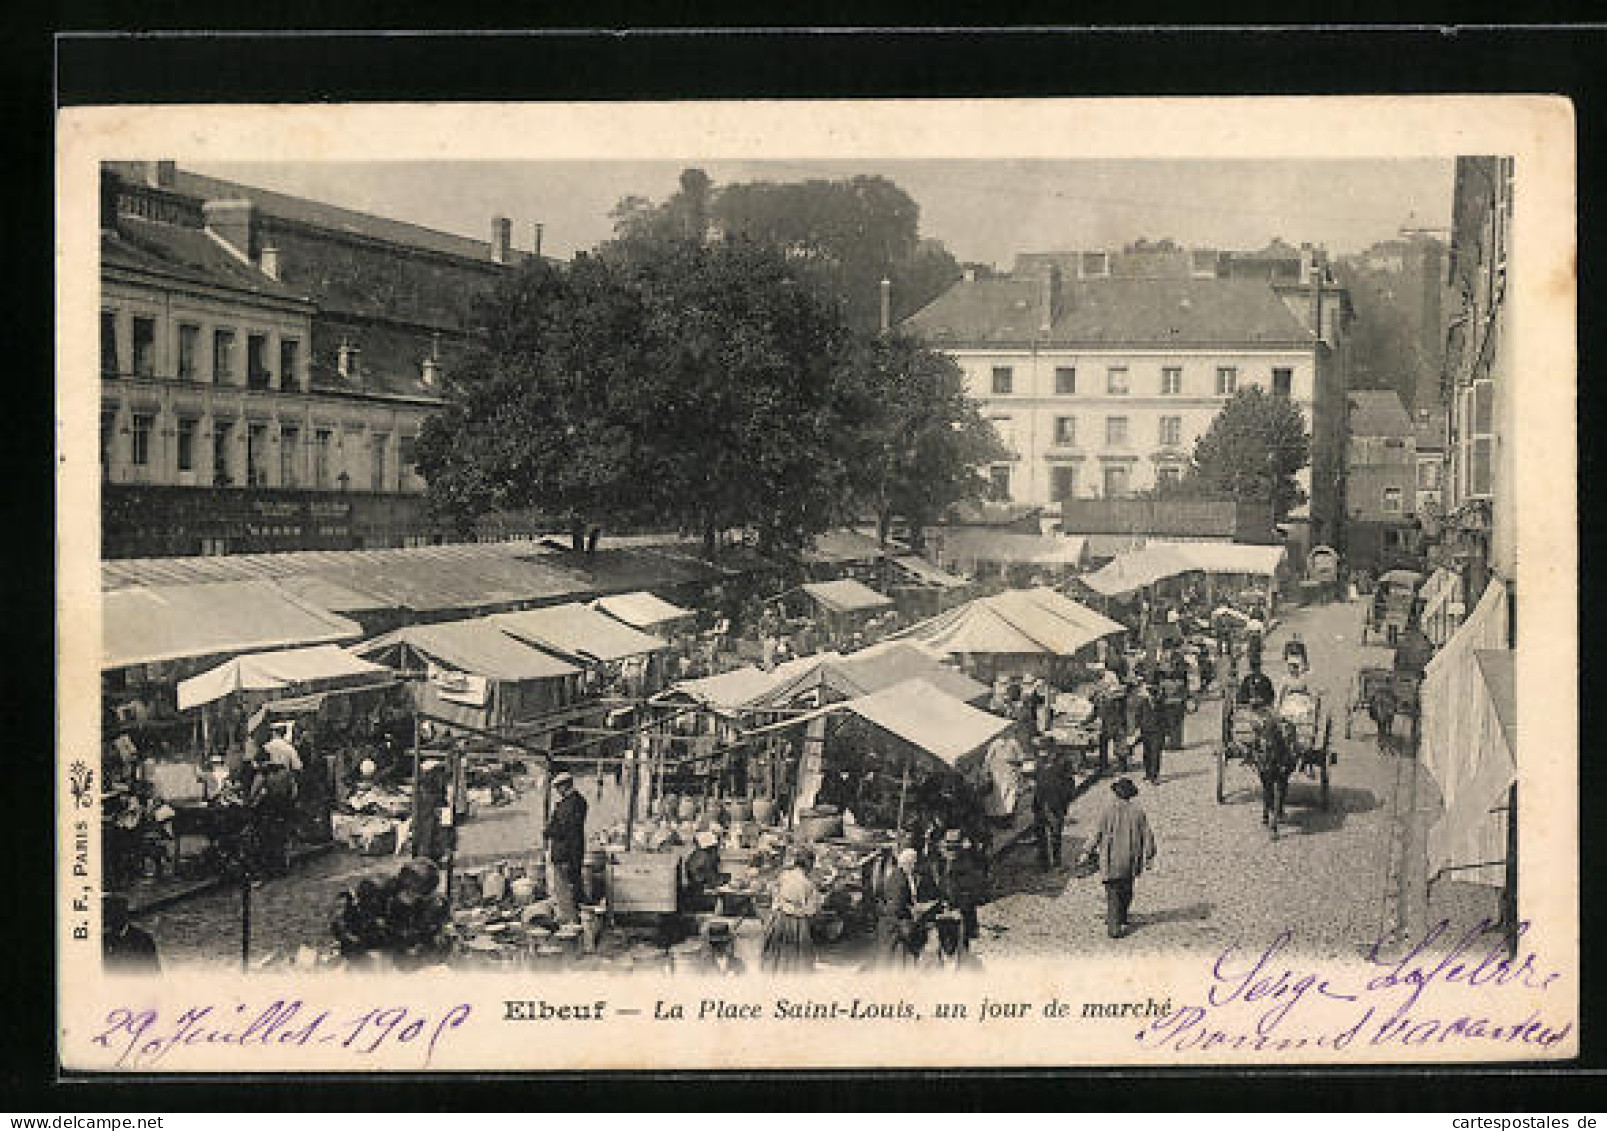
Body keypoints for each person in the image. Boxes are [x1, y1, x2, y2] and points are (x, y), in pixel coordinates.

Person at [1082, 777, 1157, 939]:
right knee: (1126, 890)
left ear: (1116, 794)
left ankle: (1114, 927)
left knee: (1112, 892)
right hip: (1130, 859)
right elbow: (1148, 835)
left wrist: (1087, 851)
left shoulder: (1107, 811)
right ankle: (1121, 916)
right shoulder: (1138, 812)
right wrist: (1149, 856)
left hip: (1110, 859)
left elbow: (1097, 833)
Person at [761, 845, 821, 974]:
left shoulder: (784, 875)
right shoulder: (808, 883)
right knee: (797, 959)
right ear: (808, 864)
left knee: (776, 954)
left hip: (780, 918)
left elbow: (773, 893)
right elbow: (812, 910)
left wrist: (780, 903)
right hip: (797, 923)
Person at [878, 846, 937, 967]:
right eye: (913, 863)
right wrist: (914, 910)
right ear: (906, 863)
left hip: (897, 920)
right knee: (888, 957)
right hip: (892, 923)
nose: (915, 867)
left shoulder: (904, 876)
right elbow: (896, 906)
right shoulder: (898, 879)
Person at [931, 829, 986, 957]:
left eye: (953, 848)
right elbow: (937, 887)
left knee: (962, 946)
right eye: (947, 848)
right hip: (943, 914)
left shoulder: (967, 866)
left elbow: (974, 892)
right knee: (945, 946)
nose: (950, 852)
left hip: (961, 913)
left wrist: (959, 907)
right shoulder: (938, 865)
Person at [544, 770, 587, 925]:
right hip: (575, 850)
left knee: (563, 887)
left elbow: (563, 829)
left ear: (564, 787)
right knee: (573, 883)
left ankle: (570, 920)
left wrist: (548, 831)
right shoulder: (580, 801)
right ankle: (573, 917)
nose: (557, 791)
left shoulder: (568, 805)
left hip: (564, 851)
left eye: (558, 788)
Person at [1032, 739, 1074, 870]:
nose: (1041, 752)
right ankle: (1043, 862)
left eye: (1043, 749)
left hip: (1056, 804)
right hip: (1040, 803)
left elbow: (1070, 783)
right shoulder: (1038, 762)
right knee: (1040, 834)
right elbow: (1035, 778)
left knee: (1055, 834)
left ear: (1051, 749)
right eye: (1040, 750)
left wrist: (1065, 800)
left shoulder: (1062, 762)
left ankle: (1056, 861)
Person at [102, 893, 159, 974]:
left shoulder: (143, 940)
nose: (105, 920)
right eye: (105, 915)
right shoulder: (104, 940)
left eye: (109, 915)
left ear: (122, 915)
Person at [1131, 677, 1165, 786]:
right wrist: (1136, 728)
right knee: (1147, 753)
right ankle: (1148, 773)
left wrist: (1166, 732)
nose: (1152, 696)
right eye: (1150, 693)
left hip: (1157, 732)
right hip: (1145, 731)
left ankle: (1154, 776)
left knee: (1155, 753)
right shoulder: (1143, 703)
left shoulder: (1160, 703)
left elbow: (1165, 718)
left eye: (1154, 693)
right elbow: (1137, 716)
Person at [1095, 673, 1130, 773]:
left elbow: (1121, 711)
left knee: (1120, 746)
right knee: (1103, 742)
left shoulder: (1116, 699)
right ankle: (1104, 765)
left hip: (1117, 724)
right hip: (1107, 724)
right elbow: (1095, 711)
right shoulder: (1102, 699)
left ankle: (1122, 767)